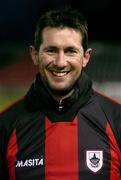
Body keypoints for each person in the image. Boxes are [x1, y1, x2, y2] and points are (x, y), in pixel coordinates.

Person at [0, 6, 121, 180]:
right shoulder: (6, 126)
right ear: (34, 54)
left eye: (70, 51)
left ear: (86, 57)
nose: (60, 62)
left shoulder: (116, 120)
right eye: (51, 50)